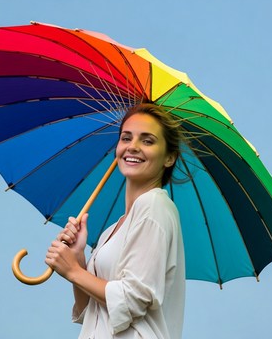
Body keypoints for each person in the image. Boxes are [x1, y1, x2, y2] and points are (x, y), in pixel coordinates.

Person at [45, 103, 186, 338]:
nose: (133, 147)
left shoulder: (154, 207)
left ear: (169, 157)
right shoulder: (116, 227)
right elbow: (92, 312)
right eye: (126, 138)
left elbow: (132, 300)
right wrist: (79, 258)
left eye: (147, 141)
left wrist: (72, 272)